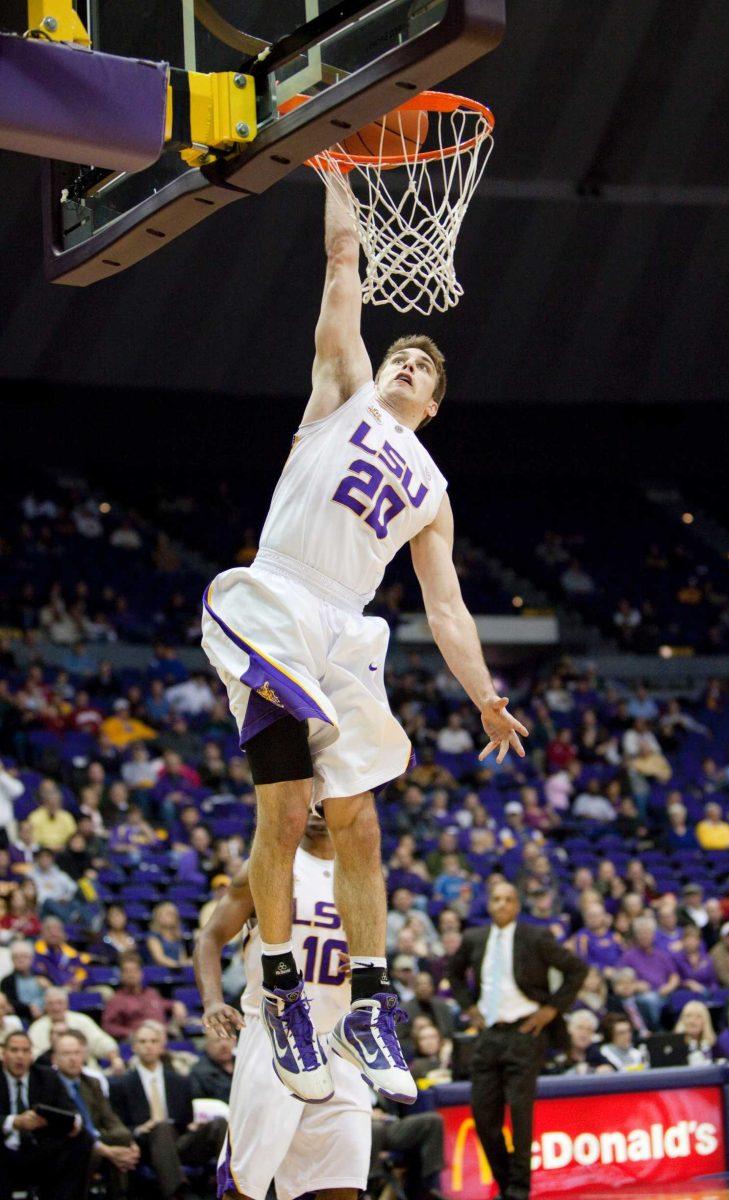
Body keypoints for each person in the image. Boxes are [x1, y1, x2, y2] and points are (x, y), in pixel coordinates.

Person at [199, 182, 528, 1104]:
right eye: (401, 354)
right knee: (285, 806)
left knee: (360, 820)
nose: (408, 362)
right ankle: (282, 991)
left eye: (424, 364)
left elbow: (448, 605)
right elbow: (344, 267)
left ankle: (369, 1005)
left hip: (346, 627)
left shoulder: (432, 486)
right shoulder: (341, 392)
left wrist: (483, 695)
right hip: (278, 595)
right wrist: (337, 172)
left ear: (435, 401)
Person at [194, 810, 372, 1200]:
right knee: (247, 1184)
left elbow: (373, 962)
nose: (317, 811)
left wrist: (361, 966)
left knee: (342, 1180)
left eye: (327, 802)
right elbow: (209, 938)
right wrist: (212, 1001)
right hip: (274, 1032)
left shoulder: (362, 872)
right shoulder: (267, 864)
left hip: (340, 1040)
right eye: (308, 801)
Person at [448, 880, 587, 1200]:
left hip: (525, 1033)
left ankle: (519, 1191)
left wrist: (551, 1010)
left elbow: (576, 969)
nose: (501, 905)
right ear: (489, 904)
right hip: (489, 1035)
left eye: (508, 899)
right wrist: (470, 1008)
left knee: (521, 1114)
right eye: (496, 899)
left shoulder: (535, 937)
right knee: (483, 1118)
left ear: (517, 905)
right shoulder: (474, 938)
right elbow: (454, 974)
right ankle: (506, 1181)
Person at [109, 1021, 226, 1200]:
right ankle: (179, 1193)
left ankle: (230, 1187)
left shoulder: (180, 1082)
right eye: (143, 1041)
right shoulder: (121, 1085)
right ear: (133, 1047)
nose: (148, 1046)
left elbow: (186, 1121)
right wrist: (139, 1129)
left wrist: (192, 1127)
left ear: (162, 1046)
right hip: (145, 1146)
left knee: (219, 1123)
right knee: (161, 1127)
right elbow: (117, 1125)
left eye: (153, 1041)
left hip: (179, 1141)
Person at [0, 1029, 94, 1200]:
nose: (19, 1056)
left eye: (25, 1051)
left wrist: (73, 1123)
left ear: (31, 1054)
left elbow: (70, 1110)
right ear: (3, 1053)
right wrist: (14, 1122)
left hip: (41, 1148)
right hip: (6, 1149)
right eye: (14, 1050)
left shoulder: (47, 1076)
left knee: (83, 1138)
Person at [51, 1029, 140, 1199]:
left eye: (77, 1053)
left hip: (97, 1138)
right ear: (55, 1058)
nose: (72, 1058)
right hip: (69, 1144)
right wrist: (105, 1150)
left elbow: (110, 1118)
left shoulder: (92, 1082)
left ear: (84, 1055)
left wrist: (130, 1141)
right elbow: (64, 1129)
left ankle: (120, 1196)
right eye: (66, 1054)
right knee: (87, 1150)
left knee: (121, 1138)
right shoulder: (50, 1084)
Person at [28, 986, 124, 1071]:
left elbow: (100, 1041)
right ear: (45, 1006)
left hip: (87, 1070)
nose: (55, 1008)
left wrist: (114, 1058)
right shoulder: (36, 1028)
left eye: (59, 1003)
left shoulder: (82, 1020)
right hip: (49, 1074)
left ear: (67, 1004)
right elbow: (34, 1055)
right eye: (51, 1004)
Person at [102, 953, 187, 1042]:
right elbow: (108, 1026)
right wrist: (132, 1033)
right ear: (121, 975)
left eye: (135, 971)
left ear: (141, 973)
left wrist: (176, 1004)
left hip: (165, 1038)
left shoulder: (151, 993)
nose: (132, 975)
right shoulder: (116, 1000)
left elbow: (161, 1003)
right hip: (141, 1042)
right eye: (127, 971)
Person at [0, 939, 46, 1021]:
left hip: (45, 1015)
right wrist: (29, 1007)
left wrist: (48, 987)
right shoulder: (7, 981)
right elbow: (10, 1003)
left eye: (24, 956)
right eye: (16, 957)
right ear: (12, 960)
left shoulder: (43, 976)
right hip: (20, 1018)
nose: (20, 960)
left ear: (31, 958)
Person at [188, 1030, 235, 1103]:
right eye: (217, 1041)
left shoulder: (244, 1064)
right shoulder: (198, 1073)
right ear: (207, 1045)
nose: (224, 1045)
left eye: (227, 1039)